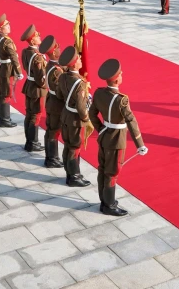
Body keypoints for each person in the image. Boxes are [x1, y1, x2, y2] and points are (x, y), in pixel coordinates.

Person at [88, 58, 147, 216]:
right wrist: (140, 144)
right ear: (116, 79)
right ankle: (109, 205)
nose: (122, 75)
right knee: (112, 173)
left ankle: (103, 201)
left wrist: (100, 128)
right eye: (120, 74)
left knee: (102, 169)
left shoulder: (99, 93)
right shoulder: (122, 100)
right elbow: (131, 121)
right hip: (117, 140)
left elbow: (91, 113)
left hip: (104, 135)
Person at [56, 45, 91, 187]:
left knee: (68, 146)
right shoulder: (80, 83)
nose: (81, 60)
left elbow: (59, 95)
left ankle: (70, 172)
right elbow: (82, 108)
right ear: (75, 62)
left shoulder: (63, 76)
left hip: (65, 115)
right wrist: (86, 119)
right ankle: (74, 176)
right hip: (75, 119)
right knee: (75, 147)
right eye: (79, 59)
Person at [0, 14, 21, 128]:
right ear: (1, 28)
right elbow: (14, 58)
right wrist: (19, 71)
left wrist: (0, 60)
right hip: (8, 70)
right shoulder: (7, 42)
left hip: (2, 67)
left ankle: (2, 117)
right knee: (6, 94)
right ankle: (5, 119)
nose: (9, 26)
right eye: (7, 25)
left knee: (1, 94)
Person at [21, 24, 46, 152]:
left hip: (29, 85)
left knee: (29, 113)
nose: (39, 37)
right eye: (37, 36)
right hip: (37, 88)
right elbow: (40, 77)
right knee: (36, 115)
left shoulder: (25, 51)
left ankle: (29, 141)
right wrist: (47, 86)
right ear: (32, 41)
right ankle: (33, 142)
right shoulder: (38, 57)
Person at [40, 35, 64, 168]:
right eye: (58, 48)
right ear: (54, 52)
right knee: (54, 130)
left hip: (52, 102)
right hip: (56, 104)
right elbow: (60, 91)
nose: (60, 49)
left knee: (51, 129)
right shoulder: (56, 71)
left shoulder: (53, 65)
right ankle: (51, 158)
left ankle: (50, 156)